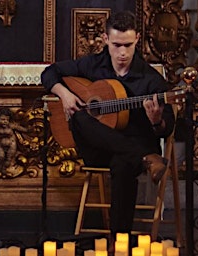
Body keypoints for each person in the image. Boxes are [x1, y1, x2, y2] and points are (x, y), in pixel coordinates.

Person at [40, 10, 175, 246]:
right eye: (116, 45)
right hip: (100, 149)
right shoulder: (93, 64)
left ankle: (118, 241)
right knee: (80, 117)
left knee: (123, 164)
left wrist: (156, 121)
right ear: (105, 39)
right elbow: (49, 72)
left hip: (133, 145)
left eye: (128, 45)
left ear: (137, 39)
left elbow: (167, 127)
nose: (122, 53)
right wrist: (65, 95)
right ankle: (145, 158)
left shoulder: (151, 79)